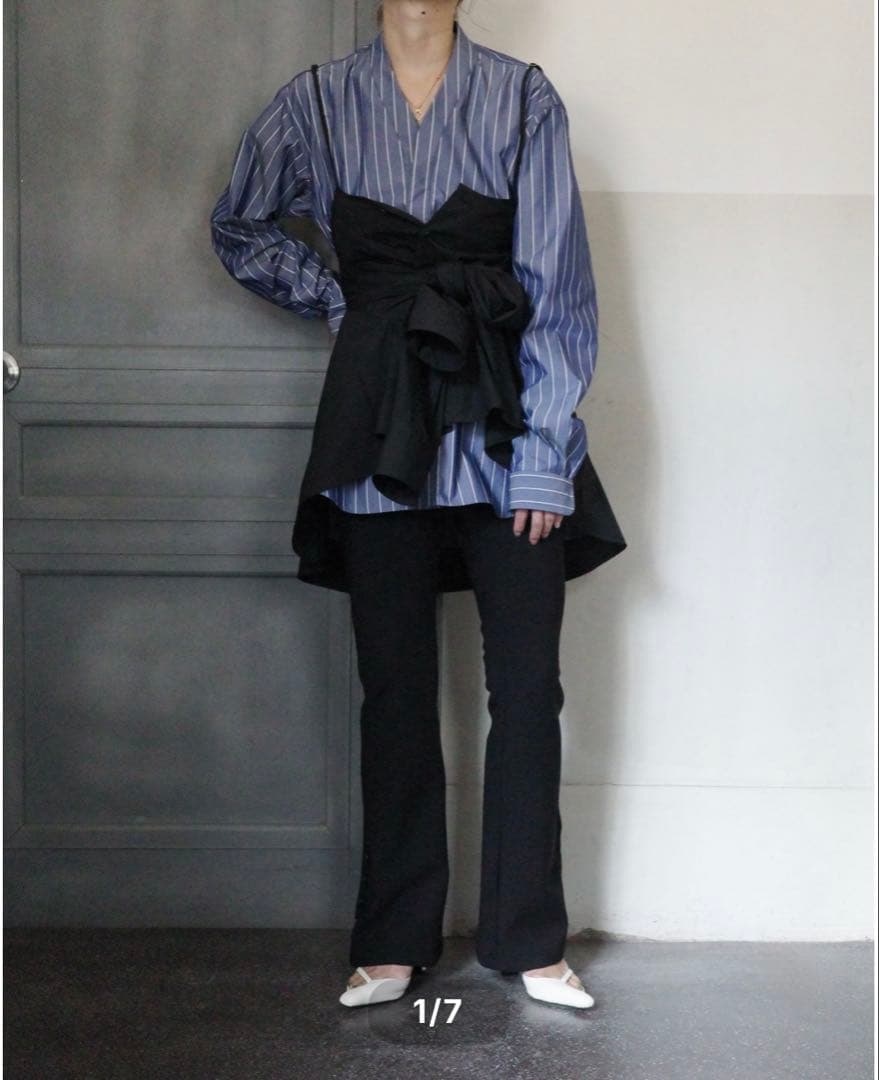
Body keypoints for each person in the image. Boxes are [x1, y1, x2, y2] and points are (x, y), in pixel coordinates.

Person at [210, 0, 626, 1010]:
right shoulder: (315, 103)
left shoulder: (523, 99)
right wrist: (341, 297)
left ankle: (530, 940)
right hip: (377, 426)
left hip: (503, 423)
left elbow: (557, 282)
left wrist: (543, 454)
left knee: (526, 690)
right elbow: (239, 224)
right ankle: (393, 940)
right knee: (392, 691)